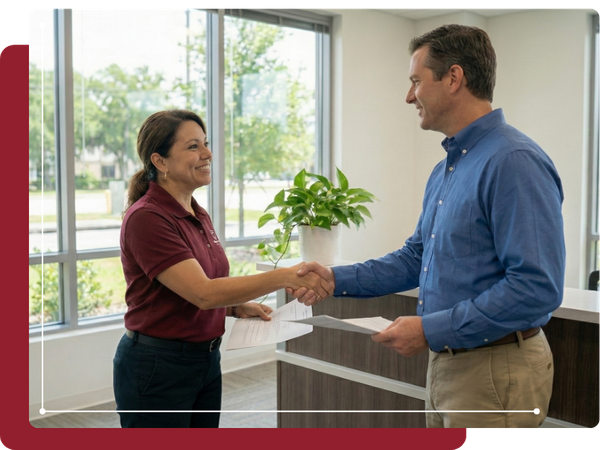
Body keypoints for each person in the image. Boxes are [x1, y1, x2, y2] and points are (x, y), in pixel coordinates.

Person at [289, 24, 565, 429]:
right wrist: (333, 277)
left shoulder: (513, 161)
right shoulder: (446, 169)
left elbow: (536, 287)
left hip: (494, 368)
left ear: (453, 78)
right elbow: (415, 257)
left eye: (416, 81)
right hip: (449, 364)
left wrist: (433, 329)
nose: (408, 95)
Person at [113, 109, 333, 428]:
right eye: (193, 147)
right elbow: (202, 293)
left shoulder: (196, 212)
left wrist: (234, 307)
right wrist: (286, 275)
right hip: (158, 367)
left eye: (205, 143)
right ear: (160, 161)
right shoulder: (147, 218)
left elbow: (190, 289)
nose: (207, 154)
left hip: (204, 361)